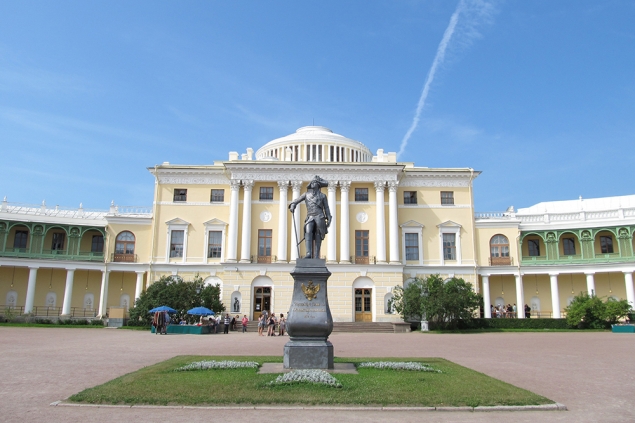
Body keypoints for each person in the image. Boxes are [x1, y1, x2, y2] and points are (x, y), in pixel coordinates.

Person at [289, 175, 332, 258]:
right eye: (312, 182)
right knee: (308, 231)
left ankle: (316, 255)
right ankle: (308, 253)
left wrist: (329, 217)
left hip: (320, 216)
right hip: (310, 216)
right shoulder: (306, 194)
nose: (312, 183)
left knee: (318, 235)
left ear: (318, 185)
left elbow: (326, 208)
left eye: (314, 182)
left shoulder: (323, 196)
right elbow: (296, 200)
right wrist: (293, 205)